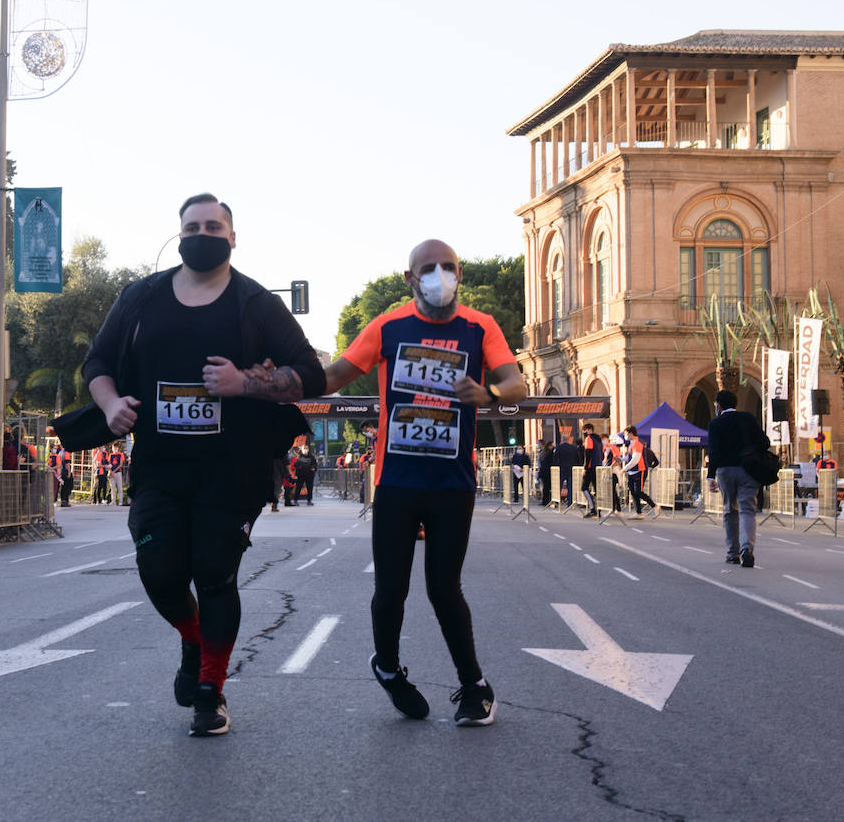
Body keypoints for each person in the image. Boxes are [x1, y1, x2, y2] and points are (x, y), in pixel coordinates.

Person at [81, 192, 324, 737]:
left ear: (233, 237)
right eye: (193, 226)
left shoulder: (256, 303)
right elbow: (97, 362)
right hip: (160, 466)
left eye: (214, 226)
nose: (203, 234)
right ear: (179, 233)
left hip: (231, 470)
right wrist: (111, 404)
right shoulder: (141, 297)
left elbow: (311, 373)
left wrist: (246, 382)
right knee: (160, 573)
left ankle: (210, 692)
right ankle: (194, 641)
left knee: (215, 575)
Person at [320, 238, 525, 727]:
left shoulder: (482, 326)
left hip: (451, 482)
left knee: (443, 587)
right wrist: (282, 369)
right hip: (396, 481)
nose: (440, 275)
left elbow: (516, 384)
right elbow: (332, 378)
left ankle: (474, 686)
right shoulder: (388, 327)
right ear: (410, 279)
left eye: (448, 267)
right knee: (391, 588)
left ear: (460, 274)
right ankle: (388, 670)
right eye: (428, 268)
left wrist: (488, 392)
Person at [706, 390, 768, 568]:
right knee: (747, 510)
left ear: (718, 405)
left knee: (729, 510)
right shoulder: (748, 418)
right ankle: (747, 548)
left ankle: (732, 553)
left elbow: (714, 452)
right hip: (749, 470)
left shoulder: (715, 424)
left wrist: (711, 476)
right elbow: (765, 442)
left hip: (725, 471)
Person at [622, 425, 656, 519]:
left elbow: (635, 459)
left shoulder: (637, 443)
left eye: (625, 434)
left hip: (639, 470)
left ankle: (654, 506)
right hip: (632, 471)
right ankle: (639, 513)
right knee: (633, 491)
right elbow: (630, 458)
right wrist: (621, 459)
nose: (624, 436)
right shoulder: (631, 444)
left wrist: (624, 469)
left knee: (639, 492)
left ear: (630, 433)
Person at [579, 423, 603, 517]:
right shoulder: (598, 440)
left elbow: (587, 455)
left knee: (584, 487)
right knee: (597, 489)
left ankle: (593, 508)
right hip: (598, 466)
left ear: (588, 430)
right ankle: (599, 509)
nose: (583, 432)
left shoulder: (588, 439)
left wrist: (585, 468)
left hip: (590, 467)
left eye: (584, 430)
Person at [553, 428, 581, 508]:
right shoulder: (574, 448)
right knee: (570, 486)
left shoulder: (558, 448)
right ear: (569, 440)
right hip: (571, 468)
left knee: (558, 485)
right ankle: (570, 502)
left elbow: (555, 458)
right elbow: (577, 458)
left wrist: (556, 466)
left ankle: (556, 502)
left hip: (561, 469)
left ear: (562, 440)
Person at [536, 439, 554, 507]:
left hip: (543, 472)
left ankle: (545, 500)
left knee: (545, 487)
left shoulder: (544, 452)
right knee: (547, 487)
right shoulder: (548, 453)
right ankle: (547, 501)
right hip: (547, 472)